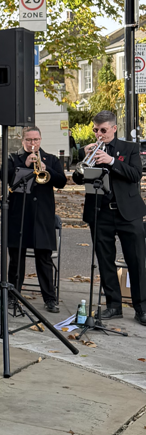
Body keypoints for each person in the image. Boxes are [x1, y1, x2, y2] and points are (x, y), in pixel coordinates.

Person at [71, 110, 146, 324]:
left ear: (114, 128)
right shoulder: (91, 150)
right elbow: (78, 178)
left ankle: (142, 307)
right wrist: (83, 159)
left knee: (136, 260)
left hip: (128, 213)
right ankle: (114, 305)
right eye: (96, 130)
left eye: (103, 130)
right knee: (105, 261)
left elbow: (135, 174)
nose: (99, 134)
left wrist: (111, 161)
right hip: (100, 212)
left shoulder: (130, 149)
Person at [7, 126, 66, 315]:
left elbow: (62, 181)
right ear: (22, 140)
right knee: (16, 259)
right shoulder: (13, 158)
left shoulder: (51, 159)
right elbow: (5, 177)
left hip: (42, 215)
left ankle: (50, 298)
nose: (33, 144)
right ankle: (12, 295)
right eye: (29, 140)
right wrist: (24, 165)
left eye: (36, 140)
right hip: (20, 214)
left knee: (44, 259)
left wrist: (45, 169)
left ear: (41, 139)